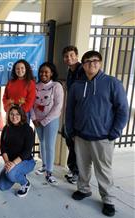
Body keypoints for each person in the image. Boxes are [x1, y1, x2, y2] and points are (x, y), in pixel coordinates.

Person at [66, 50, 129, 217]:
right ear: (83, 64)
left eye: (94, 61)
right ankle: (84, 189)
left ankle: (108, 199)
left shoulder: (112, 83)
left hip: (103, 137)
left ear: (100, 63)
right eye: (87, 61)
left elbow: (123, 110)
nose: (91, 64)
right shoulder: (77, 86)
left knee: (103, 169)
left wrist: (115, 131)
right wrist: (70, 130)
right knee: (83, 166)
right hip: (80, 135)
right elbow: (69, 110)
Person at [31, 62, 64, 185]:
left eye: (46, 72)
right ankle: (44, 165)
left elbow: (58, 106)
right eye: (41, 71)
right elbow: (30, 104)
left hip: (51, 120)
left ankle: (49, 173)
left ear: (52, 73)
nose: (43, 74)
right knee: (42, 143)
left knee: (50, 145)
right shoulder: (35, 86)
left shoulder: (56, 86)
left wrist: (45, 121)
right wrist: (34, 119)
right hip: (37, 121)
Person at [0, 105, 35, 197]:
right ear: (8, 115)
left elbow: (27, 151)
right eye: (11, 114)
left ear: (22, 115)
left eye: (17, 114)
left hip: (26, 161)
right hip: (10, 162)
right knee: (2, 186)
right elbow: (3, 147)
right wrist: (7, 162)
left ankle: (25, 183)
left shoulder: (28, 129)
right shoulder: (6, 128)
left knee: (11, 173)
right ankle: (18, 173)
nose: (14, 117)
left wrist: (13, 164)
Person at [62, 45, 85, 184]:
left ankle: (77, 173)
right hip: (70, 111)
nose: (69, 58)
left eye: (71, 55)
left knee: (78, 144)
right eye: (66, 56)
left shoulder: (82, 70)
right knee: (70, 140)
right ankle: (72, 169)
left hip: (79, 113)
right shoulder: (70, 71)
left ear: (77, 56)